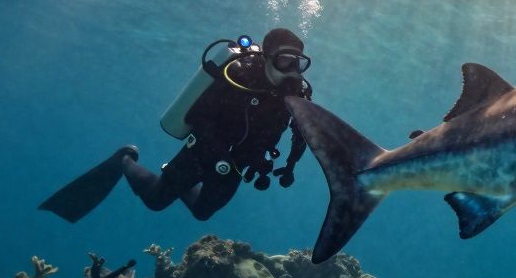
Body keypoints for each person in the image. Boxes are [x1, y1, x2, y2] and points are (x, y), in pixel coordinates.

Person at [39, 28, 312, 222]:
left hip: (237, 164)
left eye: (299, 62)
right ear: (266, 57)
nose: (292, 70)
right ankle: (124, 158)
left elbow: (302, 133)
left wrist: (290, 166)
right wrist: (219, 156)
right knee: (156, 201)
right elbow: (198, 118)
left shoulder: (296, 93)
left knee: (202, 212)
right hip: (202, 152)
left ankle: (173, 178)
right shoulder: (238, 76)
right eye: (284, 60)